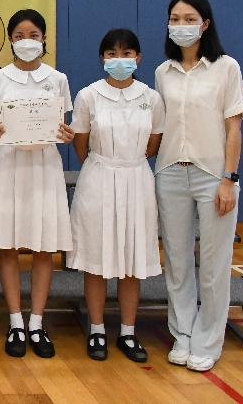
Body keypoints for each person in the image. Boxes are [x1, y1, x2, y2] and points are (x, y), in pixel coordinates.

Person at [154, 0, 243, 372]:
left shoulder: (226, 68)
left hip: (213, 175)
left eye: (189, 18)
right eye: (175, 18)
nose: (181, 25)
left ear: (205, 24)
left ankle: (208, 341)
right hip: (170, 173)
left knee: (213, 263)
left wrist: (229, 178)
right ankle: (182, 336)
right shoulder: (163, 72)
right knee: (177, 262)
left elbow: (234, 127)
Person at [0, 9, 74, 359]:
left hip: (44, 165)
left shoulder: (58, 78)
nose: (27, 41)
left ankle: (37, 322)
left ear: (44, 39)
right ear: (10, 40)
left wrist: (65, 134)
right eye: (19, 36)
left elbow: (61, 125)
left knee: (43, 247)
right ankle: (15, 322)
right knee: (8, 246)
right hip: (9, 164)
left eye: (34, 35)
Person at [69, 29, 164, 363]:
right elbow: (81, 142)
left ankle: (128, 332)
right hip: (97, 178)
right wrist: (104, 165)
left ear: (138, 58)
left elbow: (154, 143)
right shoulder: (88, 96)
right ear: (102, 58)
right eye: (112, 54)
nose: (119, 60)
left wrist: (127, 164)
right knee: (95, 261)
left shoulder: (151, 98)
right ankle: (96, 330)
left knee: (131, 261)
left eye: (126, 54)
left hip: (137, 179)